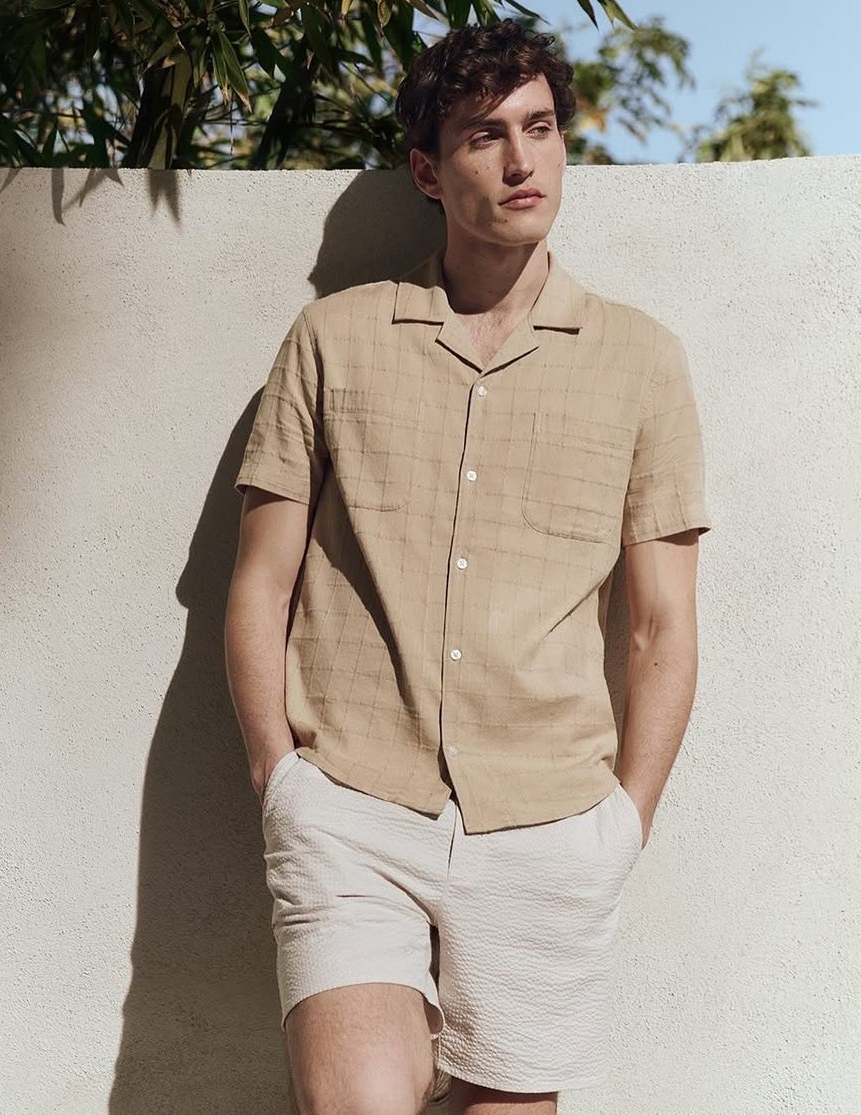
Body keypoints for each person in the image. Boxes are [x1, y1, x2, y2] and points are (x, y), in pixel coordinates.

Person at [224, 18, 711, 1115]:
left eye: (540, 128)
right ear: (427, 172)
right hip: (352, 808)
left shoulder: (643, 360)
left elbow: (661, 625)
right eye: (486, 135)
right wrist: (280, 779)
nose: (522, 159)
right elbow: (260, 581)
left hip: (550, 824)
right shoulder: (333, 339)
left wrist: (623, 823)